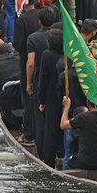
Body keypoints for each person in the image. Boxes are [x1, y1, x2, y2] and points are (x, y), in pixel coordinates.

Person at [27, 6, 57, 159]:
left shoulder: (33, 38)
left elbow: (30, 63)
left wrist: (28, 83)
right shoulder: (60, 36)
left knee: (39, 120)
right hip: (57, 83)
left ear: (39, 21)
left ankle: (42, 153)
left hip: (40, 82)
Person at [61, 95, 97, 170]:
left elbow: (63, 125)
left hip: (86, 163)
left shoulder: (84, 117)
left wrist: (66, 107)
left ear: (87, 102)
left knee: (69, 130)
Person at [38, 29, 65, 166]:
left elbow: (43, 78)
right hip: (65, 96)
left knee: (50, 127)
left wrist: (41, 100)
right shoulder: (68, 55)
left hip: (51, 95)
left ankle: (49, 159)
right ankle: (62, 154)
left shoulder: (47, 55)